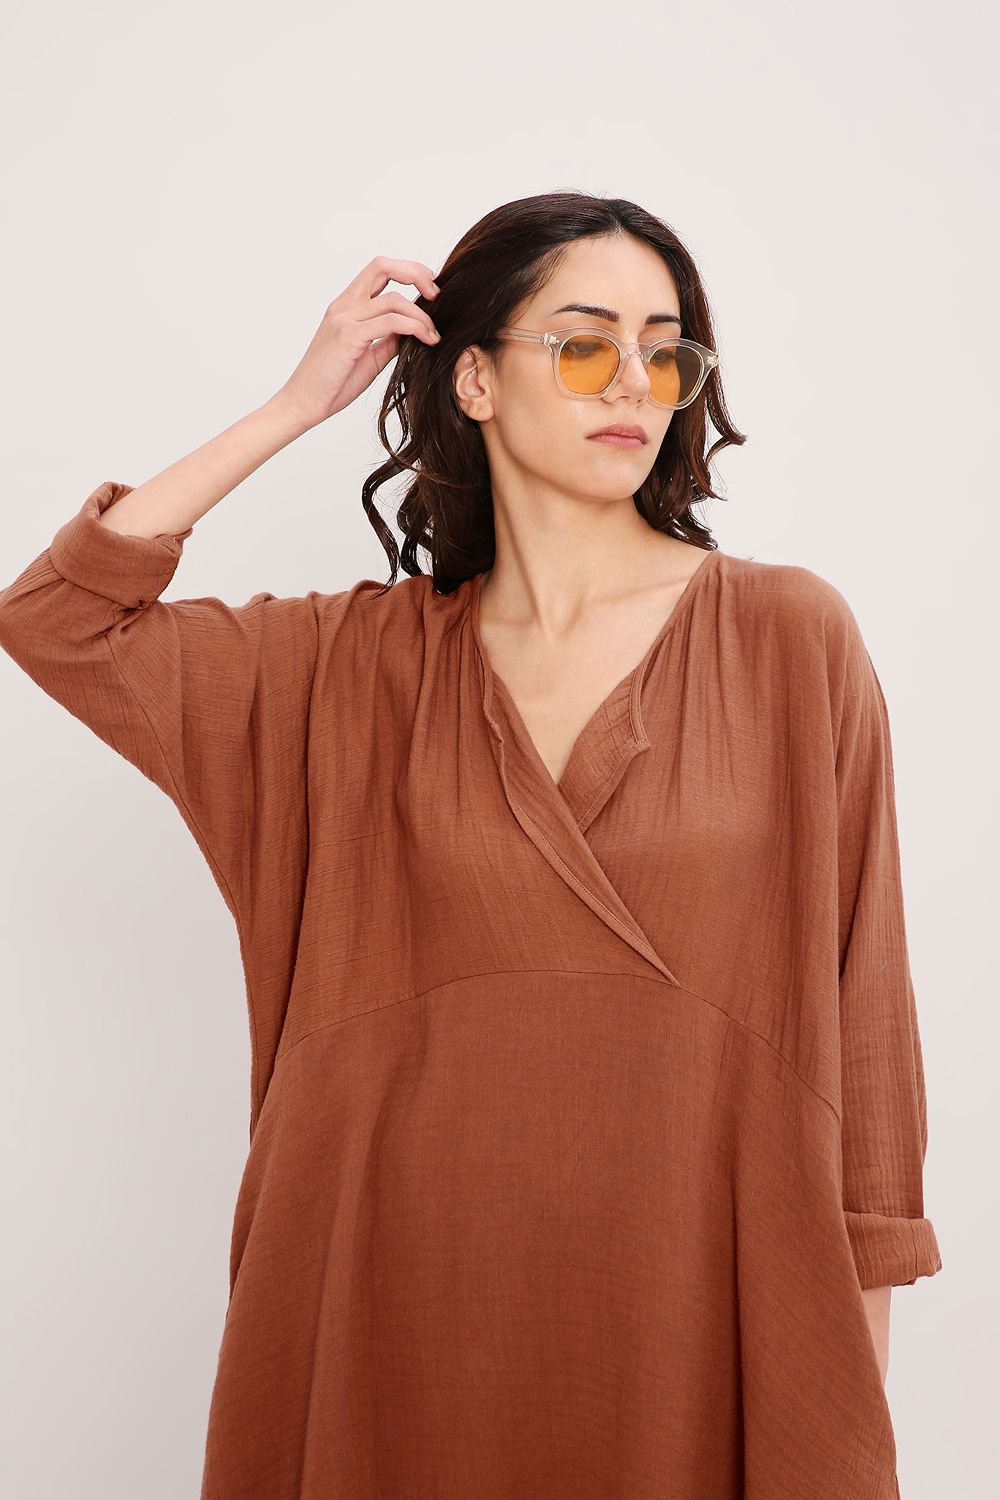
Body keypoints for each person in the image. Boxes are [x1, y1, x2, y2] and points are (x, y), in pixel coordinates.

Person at [0, 192, 941, 1500]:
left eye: (664, 349)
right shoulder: (341, 669)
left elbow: (867, 1032)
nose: (634, 382)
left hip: (698, 1314)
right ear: (477, 380)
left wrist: (841, 1403)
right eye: (585, 343)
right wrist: (297, 404)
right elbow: (59, 621)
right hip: (396, 1308)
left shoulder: (789, 639)